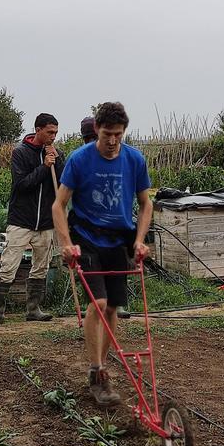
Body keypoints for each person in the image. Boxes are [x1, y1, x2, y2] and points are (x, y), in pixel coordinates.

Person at [53, 102, 153, 406]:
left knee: (112, 309)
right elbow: (59, 205)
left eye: (118, 135)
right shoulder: (80, 159)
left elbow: (146, 203)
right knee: (98, 303)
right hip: (86, 239)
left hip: (118, 240)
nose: (112, 140)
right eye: (107, 133)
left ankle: (101, 367)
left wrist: (139, 240)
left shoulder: (134, 159)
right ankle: (97, 371)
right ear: (97, 129)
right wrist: (66, 243)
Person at [0, 113, 65, 326]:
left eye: (56, 133)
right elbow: (22, 185)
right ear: (38, 130)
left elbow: (62, 182)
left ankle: (33, 309)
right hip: (21, 220)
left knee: (41, 267)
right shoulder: (20, 153)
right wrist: (44, 167)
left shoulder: (57, 154)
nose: (53, 136)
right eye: (50, 132)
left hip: (46, 222)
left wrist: (56, 162)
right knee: (8, 266)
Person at [80, 115, 132, 320]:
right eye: (88, 138)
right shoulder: (81, 159)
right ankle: (93, 303)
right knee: (91, 267)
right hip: (89, 227)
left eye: (93, 138)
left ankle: (117, 304)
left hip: (115, 224)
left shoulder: (118, 157)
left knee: (119, 263)